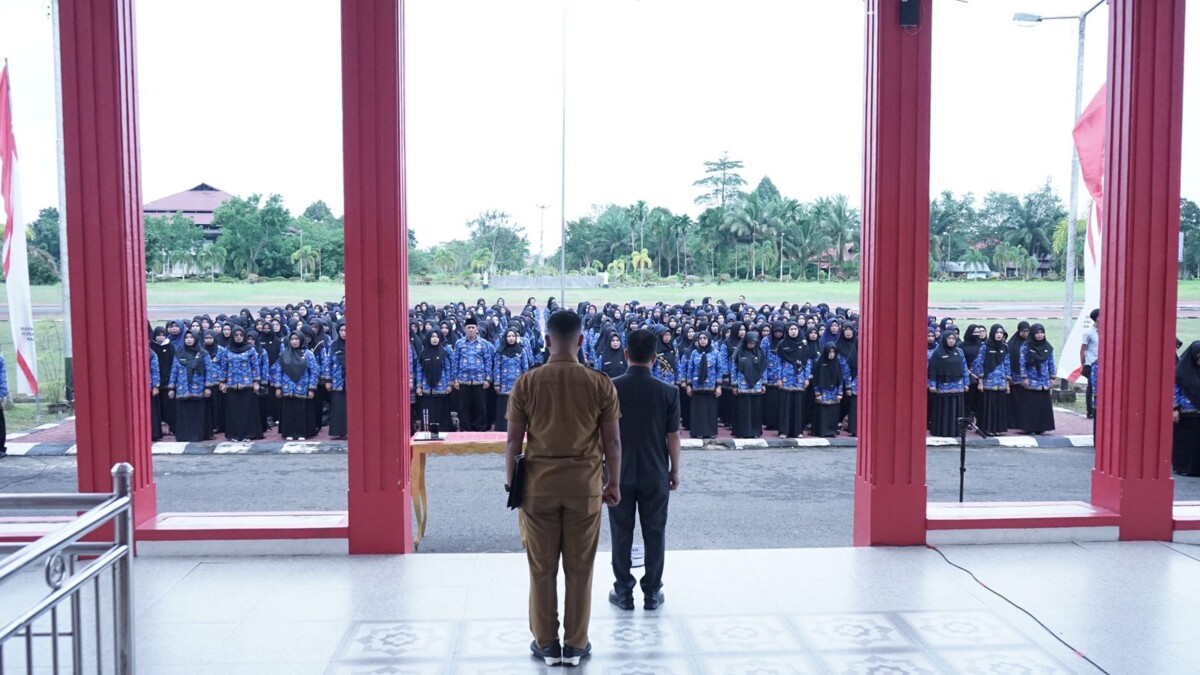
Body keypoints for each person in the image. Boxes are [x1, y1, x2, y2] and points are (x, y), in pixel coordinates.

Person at [504, 310, 621, 667]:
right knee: (580, 570)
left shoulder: (527, 382)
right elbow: (613, 443)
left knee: (541, 570)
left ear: (546, 341)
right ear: (582, 341)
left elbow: (512, 444)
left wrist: (513, 483)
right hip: (585, 489)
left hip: (537, 488)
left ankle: (546, 644)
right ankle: (575, 645)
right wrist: (612, 482)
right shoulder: (601, 383)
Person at [609, 329, 680, 612]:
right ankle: (652, 592)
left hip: (618, 473)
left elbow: (603, 435)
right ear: (654, 358)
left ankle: (624, 591)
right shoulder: (668, 392)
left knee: (620, 533)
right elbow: (672, 436)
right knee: (655, 532)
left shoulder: (610, 388)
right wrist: (674, 470)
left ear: (626, 355)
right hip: (655, 473)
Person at [166, 331, 211, 442]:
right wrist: (171, 388)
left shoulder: (203, 354)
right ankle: (183, 436)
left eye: (191, 337)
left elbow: (209, 371)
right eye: (187, 337)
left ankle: (197, 435)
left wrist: (208, 387)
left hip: (198, 389)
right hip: (182, 389)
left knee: (197, 414)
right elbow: (174, 371)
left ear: (196, 339)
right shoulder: (179, 353)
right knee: (183, 414)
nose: (189, 339)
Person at [274, 331, 318, 441]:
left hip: (302, 388)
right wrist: (278, 387)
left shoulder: (308, 354)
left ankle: (302, 433)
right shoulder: (285, 354)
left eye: (297, 339)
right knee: (289, 412)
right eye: (292, 339)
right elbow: (279, 371)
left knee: (301, 411)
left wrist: (311, 388)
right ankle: (289, 432)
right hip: (287, 388)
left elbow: (314, 372)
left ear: (301, 340)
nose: (294, 341)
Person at [221, 326, 262, 442]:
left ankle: (247, 434)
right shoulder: (227, 350)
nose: (238, 337)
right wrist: (222, 382)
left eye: (240, 335)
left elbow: (255, 367)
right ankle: (233, 434)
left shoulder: (250, 349)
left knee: (246, 411)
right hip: (232, 385)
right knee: (233, 411)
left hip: (247, 384)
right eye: (236, 335)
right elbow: (224, 367)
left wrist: (256, 382)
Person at [454, 317, 494, 431]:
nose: (471, 330)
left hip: (480, 380)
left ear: (477, 329)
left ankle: (480, 427)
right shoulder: (459, 343)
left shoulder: (484, 344)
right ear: (464, 329)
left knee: (481, 406)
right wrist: (455, 379)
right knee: (464, 407)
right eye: (468, 328)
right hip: (463, 380)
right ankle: (465, 428)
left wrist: (488, 379)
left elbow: (488, 362)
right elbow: (455, 361)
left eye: (473, 327)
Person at [927, 332, 970, 437]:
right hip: (943, 387)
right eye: (949, 338)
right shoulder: (937, 353)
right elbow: (932, 370)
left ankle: (956, 431)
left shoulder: (959, 352)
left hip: (958, 386)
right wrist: (932, 384)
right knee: (944, 409)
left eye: (953, 338)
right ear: (945, 339)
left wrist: (966, 383)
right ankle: (943, 431)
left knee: (956, 409)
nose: (951, 340)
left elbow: (964, 368)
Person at [1017, 323, 1057, 435]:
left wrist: (1052, 377)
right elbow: (1022, 363)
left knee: (1042, 405)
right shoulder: (1026, 346)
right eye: (1037, 333)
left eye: (1042, 333)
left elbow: (1051, 363)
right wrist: (1024, 378)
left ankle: (1041, 427)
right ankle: (1029, 427)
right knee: (1031, 405)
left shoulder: (1047, 347)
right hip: (1031, 380)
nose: (1040, 335)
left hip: (1044, 381)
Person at [973, 324, 1012, 435]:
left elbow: (1007, 364)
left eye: (1001, 333)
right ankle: (987, 428)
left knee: (999, 406)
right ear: (992, 333)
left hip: (1001, 382)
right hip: (988, 382)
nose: (999, 335)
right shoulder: (985, 347)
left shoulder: (1005, 347)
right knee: (988, 406)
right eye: (997, 332)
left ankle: (997, 428)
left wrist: (1007, 383)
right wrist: (980, 381)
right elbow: (978, 364)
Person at [684, 331, 723, 439]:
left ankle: (710, 432)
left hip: (711, 387)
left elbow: (719, 369)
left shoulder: (715, 353)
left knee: (710, 410)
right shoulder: (694, 353)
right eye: (700, 338)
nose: (702, 340)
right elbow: (690, 369)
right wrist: (688, 385)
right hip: (697, 387)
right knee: (698, 411)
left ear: (709, 339)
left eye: (705, 338)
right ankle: (698, 432)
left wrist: (719, 386)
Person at [729, 332, 767, 439]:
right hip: (742, 385)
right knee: (743, 410)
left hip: (756, 385)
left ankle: (755, 432)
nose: (752, 345)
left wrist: (764, 383)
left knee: (755, 410)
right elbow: (734, 369)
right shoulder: (739, 353)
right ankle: (743, 432)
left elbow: (763, 369)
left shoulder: (759, 352)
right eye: (750, 343)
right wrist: (734, 385)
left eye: (754, 343)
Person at [776, 323, 811, 438]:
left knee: (798, 405)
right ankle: (784, 431)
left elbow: (807, 362)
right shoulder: (782, 344)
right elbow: (778, 362)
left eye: (795, 329)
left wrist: (806, 378)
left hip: (799, 378)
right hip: (786, 379)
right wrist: (779, 378)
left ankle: (798, 431)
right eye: (791, 329)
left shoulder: (804, 344)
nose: (793, 331)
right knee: (786, 405)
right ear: (788, 331)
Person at [416, 330, 455, 431]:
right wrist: (419, 386)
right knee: (427, 411)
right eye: (432, 336)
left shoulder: (444, 353)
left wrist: (449, 385)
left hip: (441, 388)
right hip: (426, 389)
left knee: (441, 410)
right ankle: (427, 431)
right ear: (428, 338)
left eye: (437, 337)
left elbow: (447, 369)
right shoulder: (422, 353)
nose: (434, 339)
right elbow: (419, 370)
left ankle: (443, 430)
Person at [492, 328, 529, 432]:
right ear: (505, 338)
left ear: (516, 338)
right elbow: (496, 368)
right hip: (503, 383)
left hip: (518, 383)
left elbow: (525, 368)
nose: (511, 338)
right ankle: (502, 427)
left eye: (513, 336)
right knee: (503, 405)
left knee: (517, 406)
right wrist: (497, 383)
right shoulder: (500, 351)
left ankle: (518, 427)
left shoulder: (521, 351)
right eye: (509, 336)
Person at [1174, 342, 1200, 476]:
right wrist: (1174, 408)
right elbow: (1174, 389)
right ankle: (1183, 467)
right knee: (1185, 442)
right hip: (1185, 412)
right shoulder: (1181, 371)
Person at [811, 343, 846, 437]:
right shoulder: (820, 363)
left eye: (833, 352)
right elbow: (816, 380)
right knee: (822, 413)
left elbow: (840, 379)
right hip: (823, 392)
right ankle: (821, 431)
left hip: (834, 392)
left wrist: (840, 393)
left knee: (833, 413)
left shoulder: (837, 363)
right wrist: (817, 393)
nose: (831, 354)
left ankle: (831, 431)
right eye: (829, 352)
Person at [326, 322, 348, 439]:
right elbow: (328, 363)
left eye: (346, 330)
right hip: (337, 381)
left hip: (352, 383)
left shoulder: (356, 343)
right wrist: (328, 380)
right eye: (341, 331)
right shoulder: (334, 345)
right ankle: (340, 431)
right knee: (339, 407)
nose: (344, 333)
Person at [1081, 309, 1099, 419]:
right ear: (1097, 318)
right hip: (1091, 363)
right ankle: (1090, 410)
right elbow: (1082, 350)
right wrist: (1083, 364)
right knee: (1091, 387)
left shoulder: (1107, 331)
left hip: (1103, 363)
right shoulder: (1089, 333)